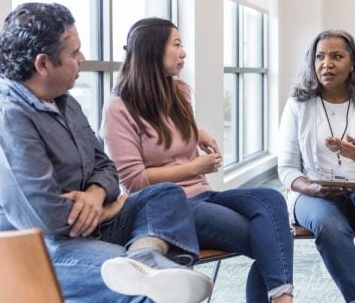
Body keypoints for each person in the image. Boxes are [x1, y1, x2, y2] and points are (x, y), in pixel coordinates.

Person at [0, 3, 212, 303]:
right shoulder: (5, 116)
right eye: (74, 53)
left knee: (165, 195)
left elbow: (105, 166)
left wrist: (94, 194)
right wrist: (106, 208)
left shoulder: (64, 101)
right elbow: (44, 216)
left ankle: (145, 259)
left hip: (87, 227)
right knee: (147, 290)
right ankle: (147, 272)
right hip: (34, 250)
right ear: (43, 64)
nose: (83, 59)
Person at [101, 18, 294, 303]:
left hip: (203, 194)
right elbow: (133, 180)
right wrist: (195, 167)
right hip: (169, 209)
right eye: (176, 44)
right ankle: (283, 299)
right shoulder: (119, 108)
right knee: (273, 239)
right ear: (153, 50)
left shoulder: (181, 92)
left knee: (271, 200)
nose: (183, 53)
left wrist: (195, 132)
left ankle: (281, 297)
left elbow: (170, 133)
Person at [277, 30, 355, 303]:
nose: (327, 64)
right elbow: (287, 170)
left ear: (352, 62)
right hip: (312, 190)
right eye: (320, 57)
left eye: (337, 56)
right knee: (327, 223)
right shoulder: (298, 104)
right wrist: (310, 188)